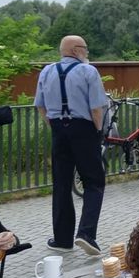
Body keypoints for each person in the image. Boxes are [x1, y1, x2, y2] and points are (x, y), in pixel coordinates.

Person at [35, 35, 107, 255]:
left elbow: (40, 106)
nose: (87, 52)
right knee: (94, 182)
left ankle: (62, 239)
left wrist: (55, 126)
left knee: (62, 184)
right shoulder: (88, 71)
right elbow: (96, 108)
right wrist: (98, 130)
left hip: (58, 130)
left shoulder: (47, 71)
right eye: (85, 48)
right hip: (84, 128)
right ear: (77, 50)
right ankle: (86, 234)